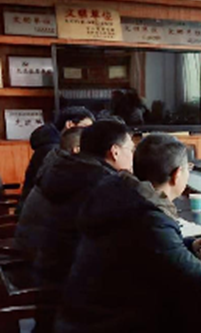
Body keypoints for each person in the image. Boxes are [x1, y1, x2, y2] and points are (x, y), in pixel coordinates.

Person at [55, 133, 201, 333]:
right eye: (188, 168)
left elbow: (142, 248)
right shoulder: (148, 218)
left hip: (84, 327)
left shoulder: (119, 194)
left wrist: (188, 246)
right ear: (177, 174)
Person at [15, 119, 133, 285]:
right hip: (61, 279)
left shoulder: (63, 167)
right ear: (115, 152)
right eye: (131, 149)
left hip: (37, 263)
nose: (133, 155)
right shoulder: (100, 183)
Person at [19, 106, 94, 211]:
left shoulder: (52, 146)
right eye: (85, 127)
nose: (89, 134)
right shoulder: (52, 151)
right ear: (70, 125)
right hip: (38, 211)